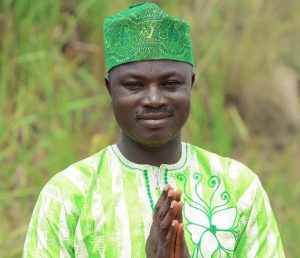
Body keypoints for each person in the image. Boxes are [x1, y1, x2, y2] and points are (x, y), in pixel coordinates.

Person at [23, 3, 285, 258]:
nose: (154, 99)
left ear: (190, 85)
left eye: (170, 83)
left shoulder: (239, 187)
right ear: (110, 89)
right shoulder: (68, 194)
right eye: (134, 85)